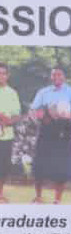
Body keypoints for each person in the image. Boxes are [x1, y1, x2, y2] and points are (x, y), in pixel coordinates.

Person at [29, 66, 71, 204]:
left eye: (59, 74)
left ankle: (57, 199)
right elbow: (34, 111)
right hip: (46, 130)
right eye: (53, 75)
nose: (56, 77)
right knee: (40, 164)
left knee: (61, 167)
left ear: (64, 76)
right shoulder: (43, 92)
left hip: (64, 132)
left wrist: (67, 117)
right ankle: (38, 197)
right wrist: (41, 116)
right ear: (50, 77)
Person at [0, 65, 21, 202]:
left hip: (6, 136)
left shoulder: (12, 93)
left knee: (2, 166)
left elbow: (17, 116)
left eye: (3, 73)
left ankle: (0, 195)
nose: (0, 76)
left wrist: (7, 121)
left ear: (7, 75)